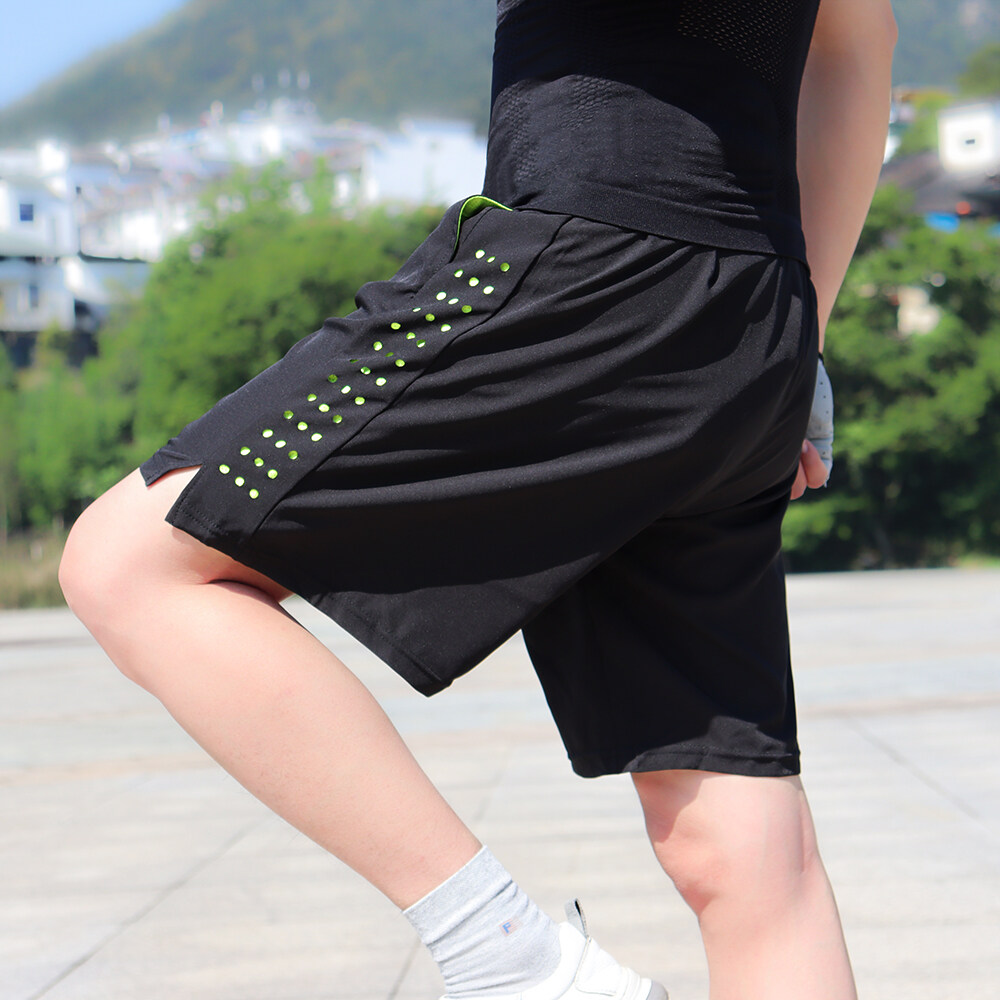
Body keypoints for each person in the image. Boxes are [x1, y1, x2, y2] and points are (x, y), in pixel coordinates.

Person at [59, 1, 896, 998]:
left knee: (129, 564)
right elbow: (860, 43)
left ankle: (504, 957)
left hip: (586, 268)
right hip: (752, 323)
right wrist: (801, 338)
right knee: (747, 850)